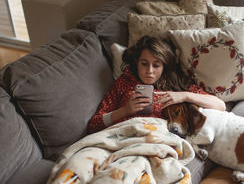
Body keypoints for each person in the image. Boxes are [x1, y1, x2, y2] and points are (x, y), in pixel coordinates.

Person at [88, 35, 226, 133]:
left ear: (164, 66)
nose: (149, 71)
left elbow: (220, 105)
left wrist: (183, 96)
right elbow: (94, 125)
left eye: (156, 65)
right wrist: (124, 111)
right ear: (136, 63)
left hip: (158, 138)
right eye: (144, 64)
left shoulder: (175, 85)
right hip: (123, 135)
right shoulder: (124, 82)